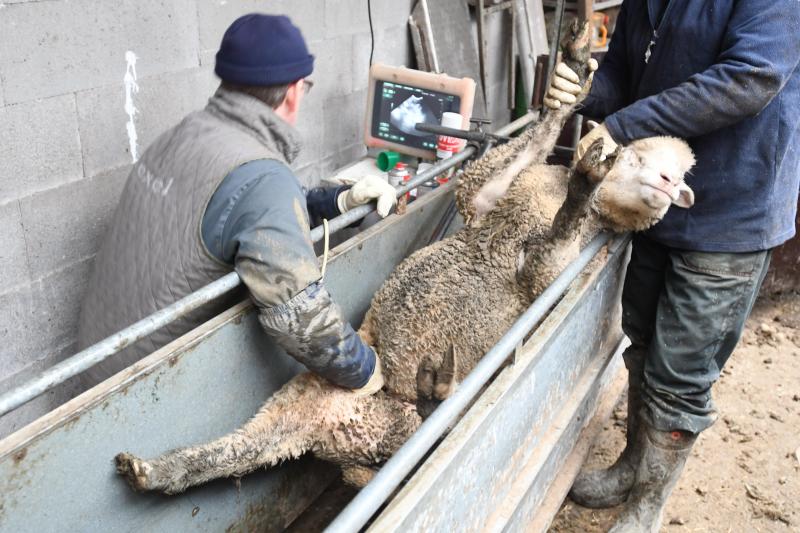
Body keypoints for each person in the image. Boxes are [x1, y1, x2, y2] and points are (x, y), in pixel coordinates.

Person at [544, 1, 800, 531]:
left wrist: (619, 127)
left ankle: (645, 509)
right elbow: (623, 68)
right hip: (654, 200)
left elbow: (749, 78)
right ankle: (630, 468)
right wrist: (584, 92)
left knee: (680, 375)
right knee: (642, 339)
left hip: (732, 208)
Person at [77, 14, 395, 395]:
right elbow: (302, 320)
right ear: (295, 91)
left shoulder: (181, 135)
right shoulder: (261, 178)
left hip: (97, 370)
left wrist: (339, 200)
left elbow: (240, 217)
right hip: (150, 392)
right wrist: (367, 372)